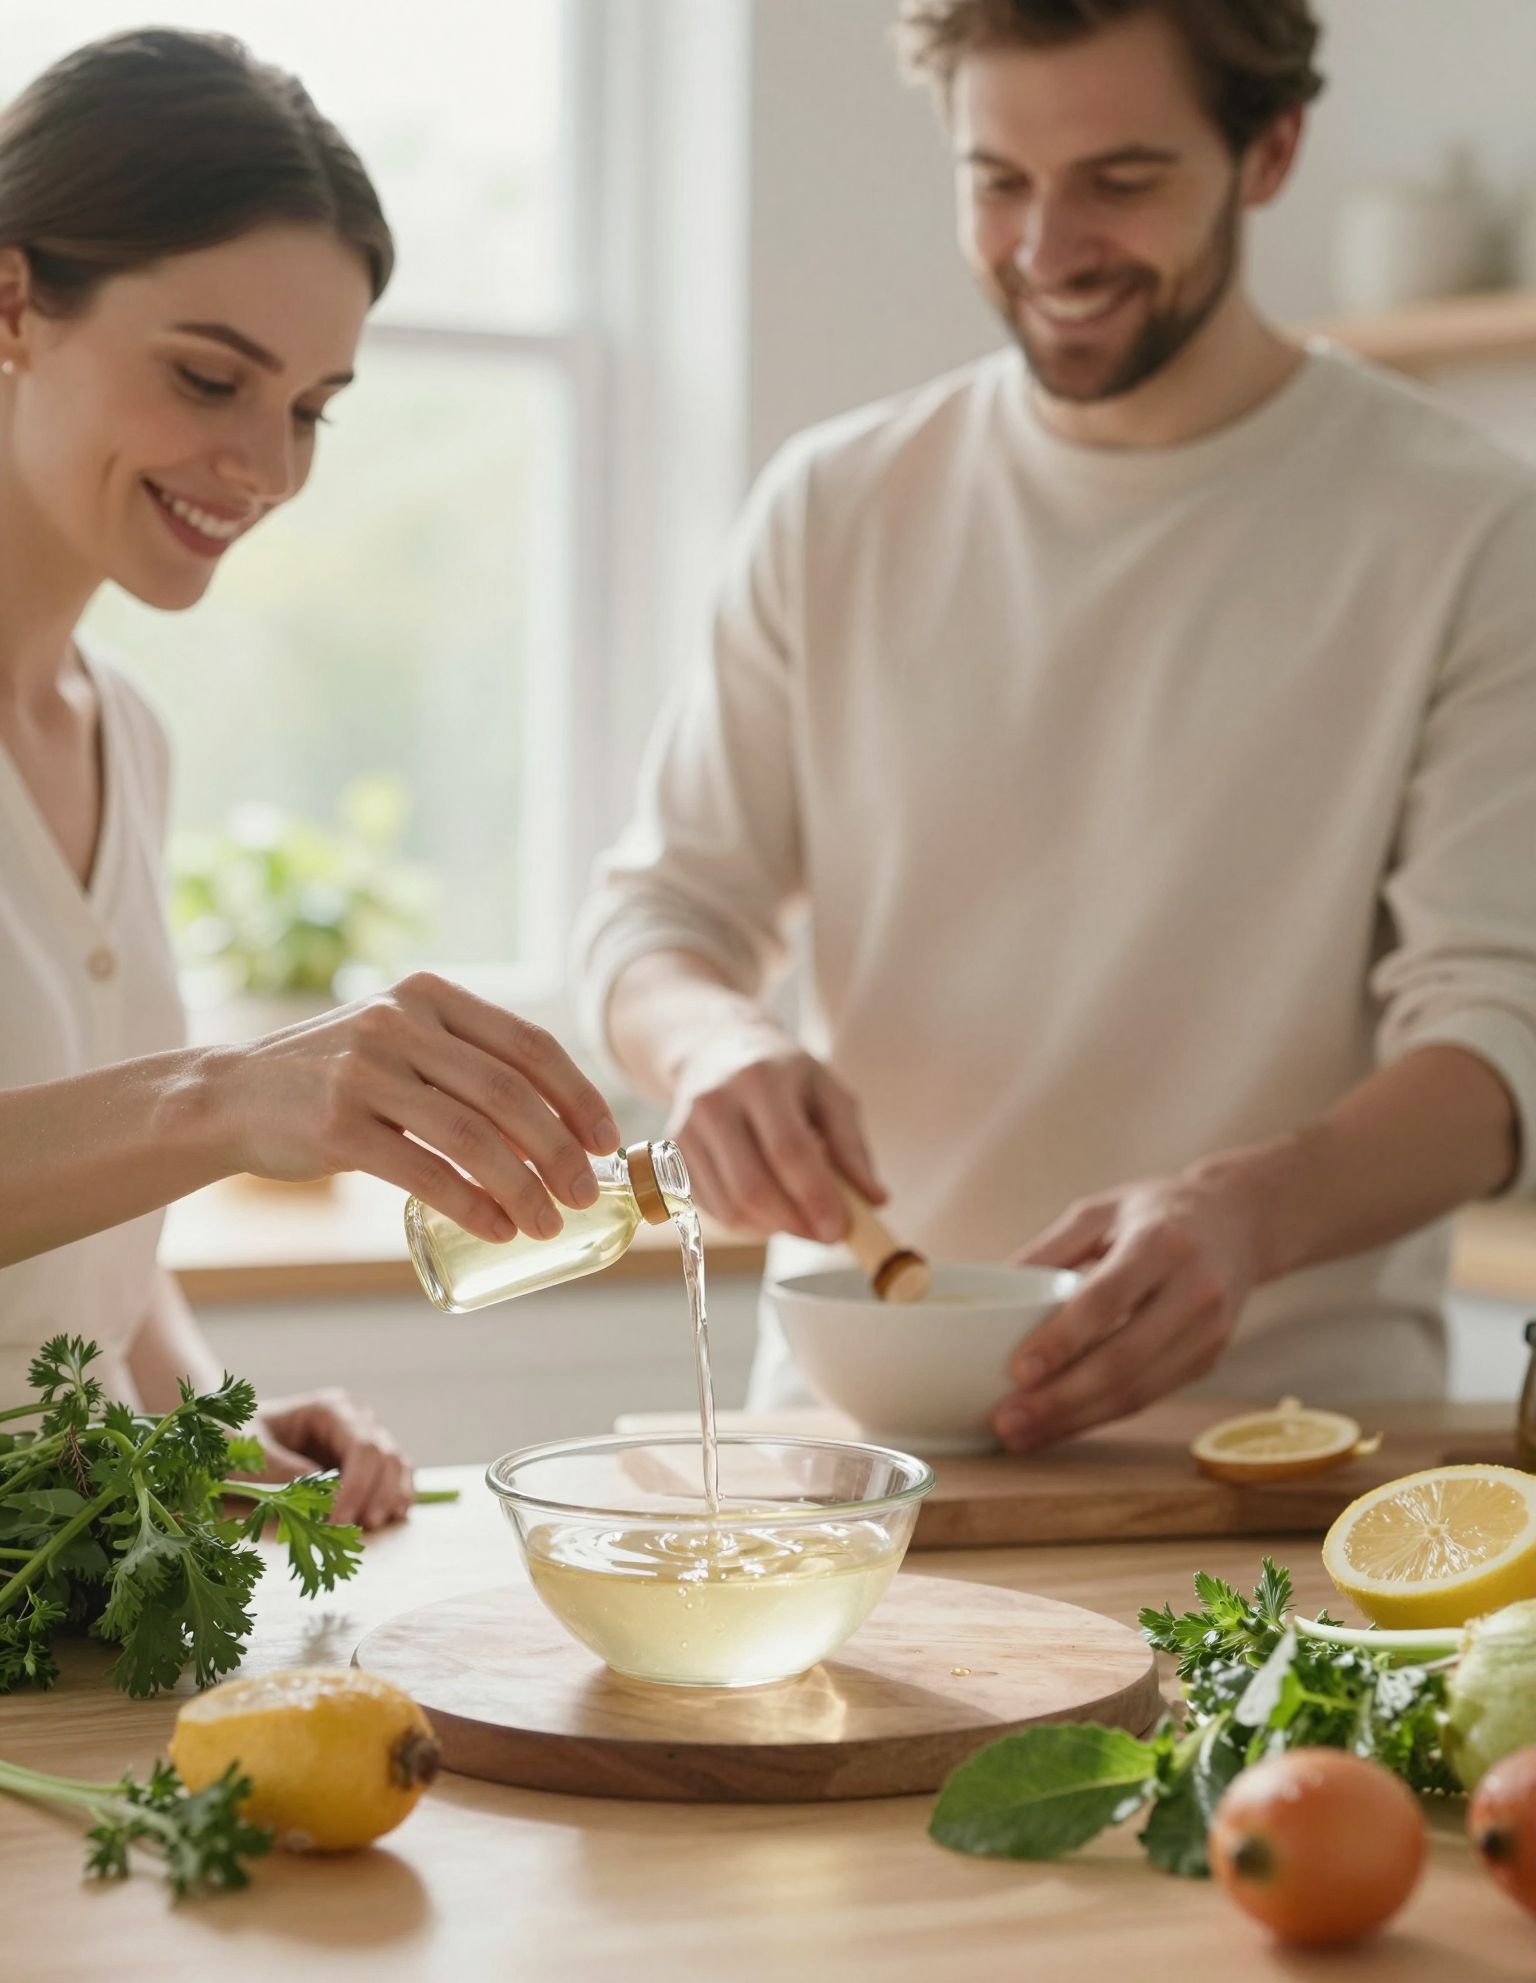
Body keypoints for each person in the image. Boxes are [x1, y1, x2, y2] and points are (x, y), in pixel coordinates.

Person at [574, 0, 1536, 1450]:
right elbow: (658, 918)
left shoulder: (1467, 528)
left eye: (1122, 181)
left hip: (1275, 1446)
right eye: (997, 181)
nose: (1046, 248)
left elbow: (1496, 1043)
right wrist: (712, 1047)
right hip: (857, 1446)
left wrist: (1246, 1218)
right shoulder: (835, 505)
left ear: (1267, 152)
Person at [0, 31, 618, 1524]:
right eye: (212, 377)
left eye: (311, 408)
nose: (267, 466)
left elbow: (82, 1264)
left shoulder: (122, 734)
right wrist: (223, 1097)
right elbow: (157, 1124)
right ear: (12, 301)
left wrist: (203, 1428)